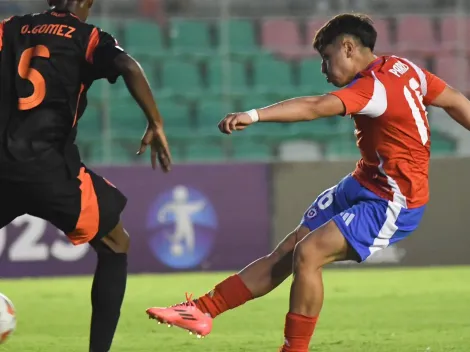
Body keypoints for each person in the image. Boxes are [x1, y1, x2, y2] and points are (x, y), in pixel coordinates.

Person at [146, 13, 470, 351]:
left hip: (394, 200)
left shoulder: (374, 87)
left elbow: (316, 106)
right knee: (289, 250)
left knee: (308, 253)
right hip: (366, 181)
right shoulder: (406, 69)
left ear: (347, 47)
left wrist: (254, 115)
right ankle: (200, 310)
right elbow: (454, 99)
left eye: (326, 57)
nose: (323, 68)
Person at [0, 0, 172, 351]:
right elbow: (127, 65)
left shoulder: (9, 27)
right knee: (115, 244)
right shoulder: (88, 37)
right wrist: (155, 122)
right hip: (50, 170)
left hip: (1, 165)